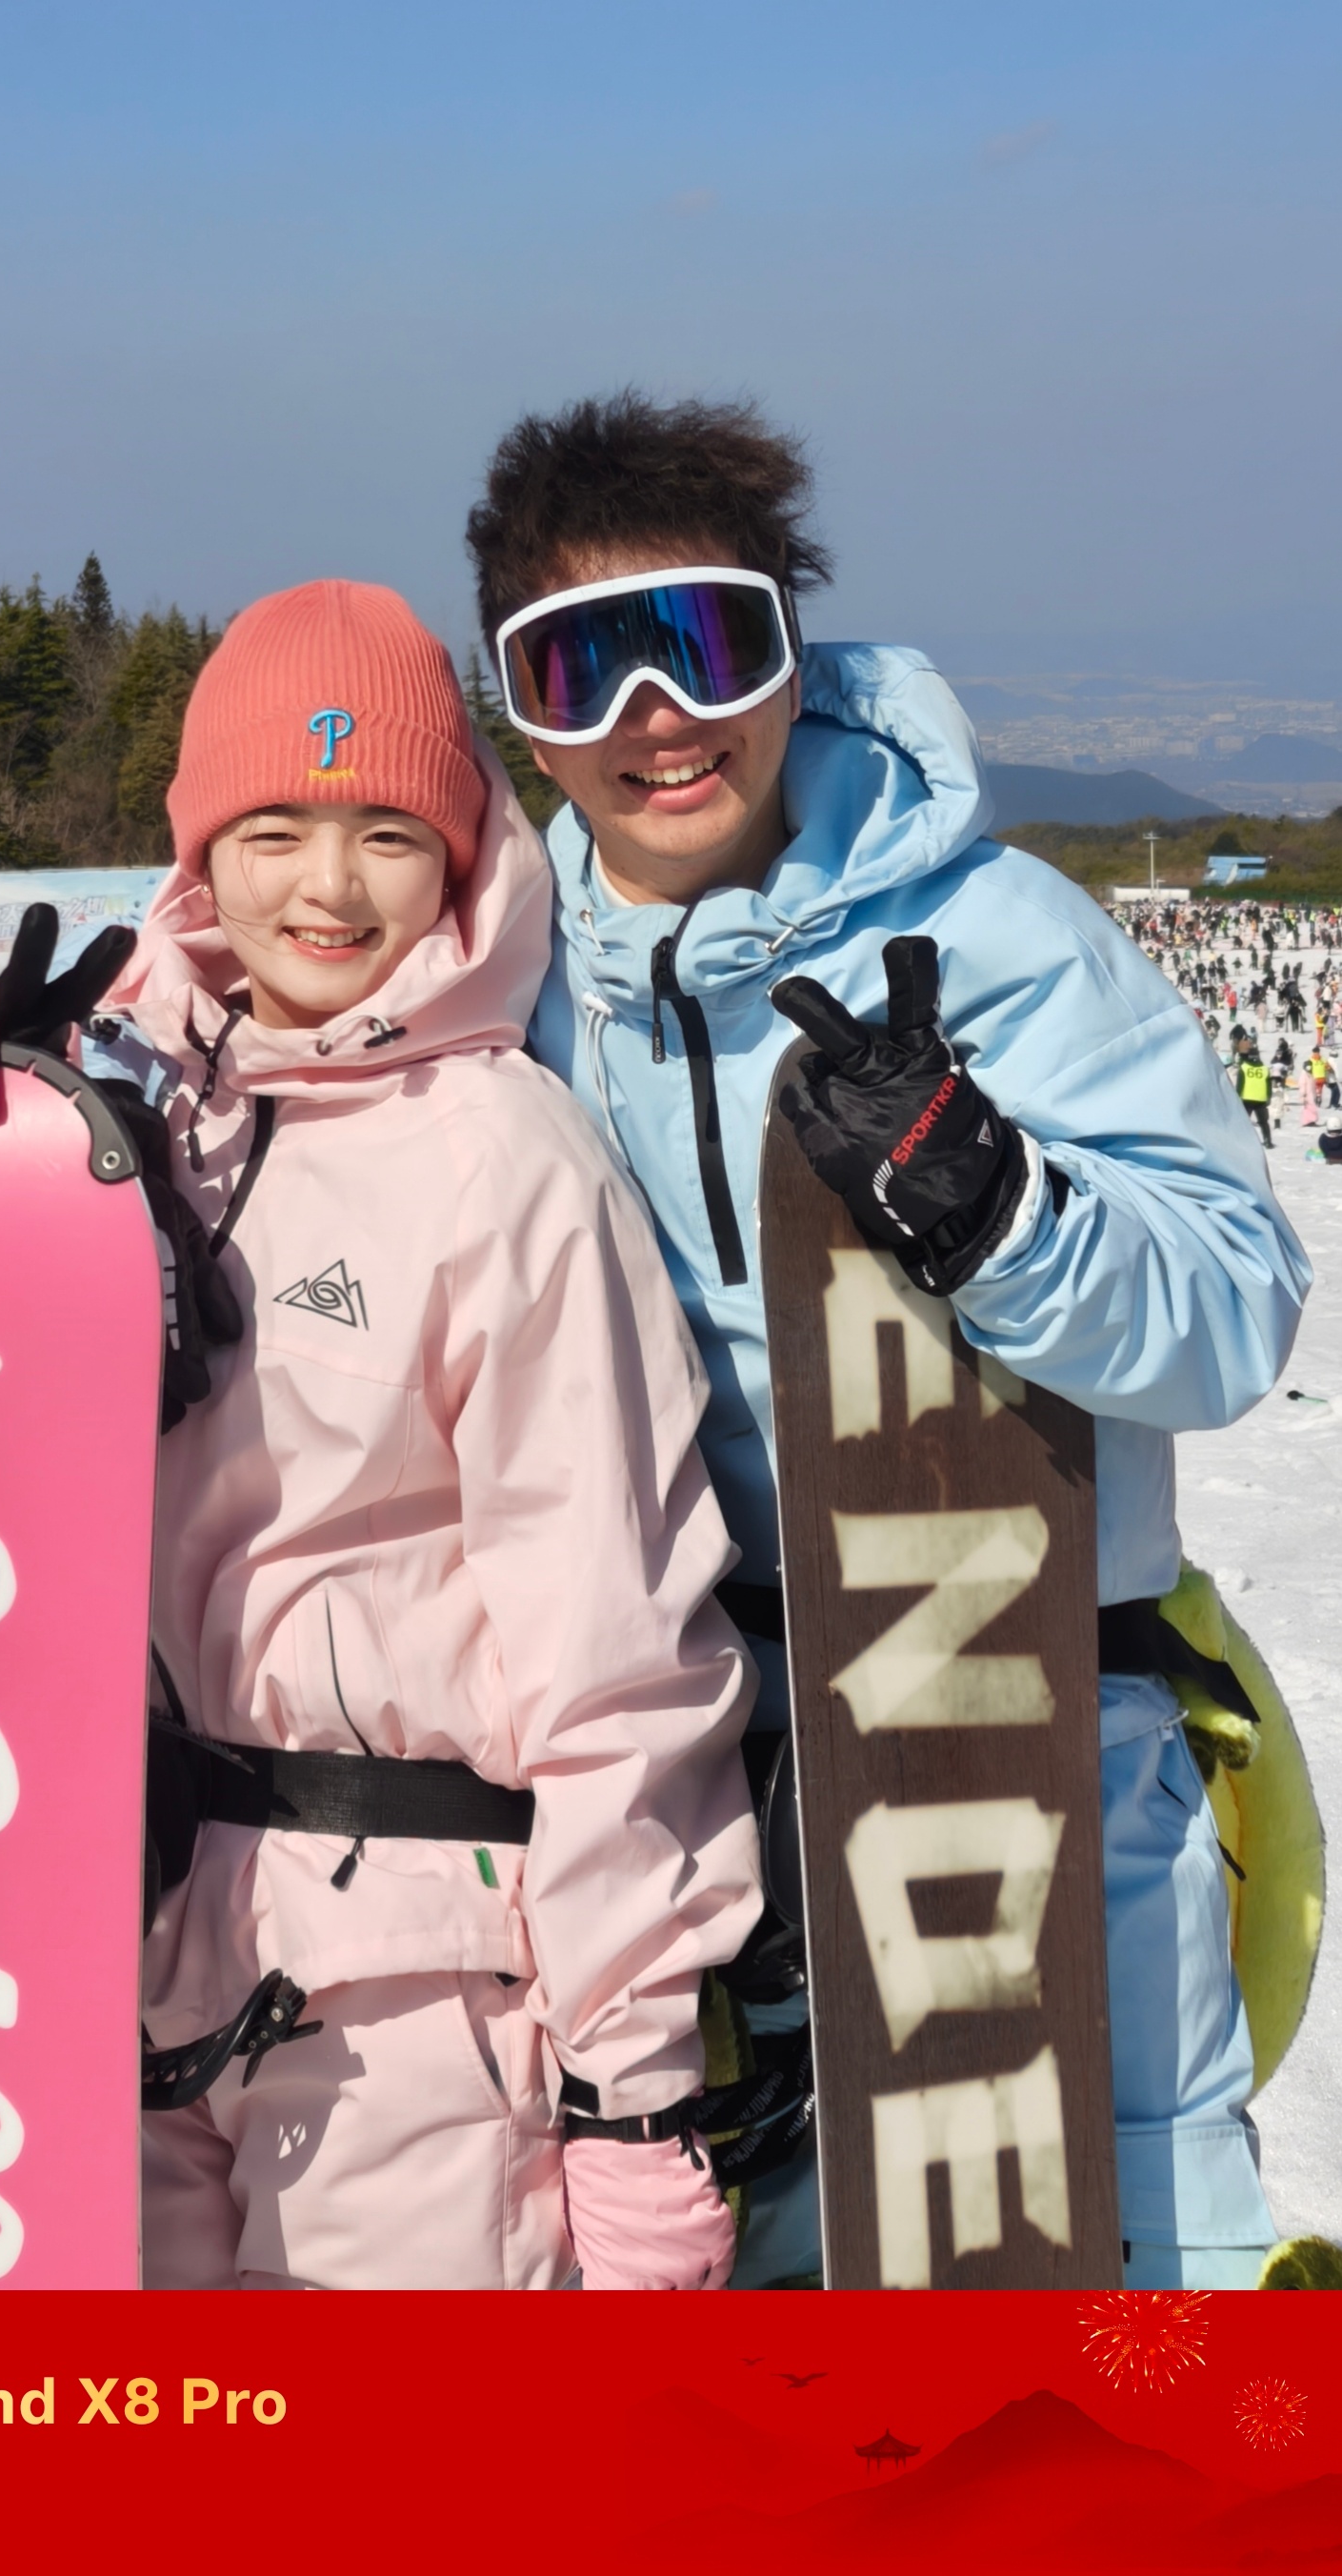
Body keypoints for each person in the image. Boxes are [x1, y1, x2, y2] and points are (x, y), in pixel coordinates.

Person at [466, 391, 1311, 2289]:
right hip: (697, 1822)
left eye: (700, 640)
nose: (652, 718)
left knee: (1103, 2359)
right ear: (520, 705)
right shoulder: (516, 989)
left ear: (789, 646)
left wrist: (1001, 1215)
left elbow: (1228, 1309)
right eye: (577, 666)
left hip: (1020, 1767)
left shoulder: (997, 938)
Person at [0, 581, 761, 2290]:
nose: (324, 884)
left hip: (418, 2012)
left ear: (456, 854)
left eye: (384, 829)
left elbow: (616, 1649)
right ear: (194, 849)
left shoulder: (499, 1156)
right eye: (273, 824)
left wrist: (630, 2093)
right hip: (127, 1977)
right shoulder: (129, 1129)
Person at [1235, 1041, 1274, 1148]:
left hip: (1246, 1097)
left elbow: (1240, 1084)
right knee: (1263, 1122)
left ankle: (1241, 1140)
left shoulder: (1244, 1067)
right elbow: (1268, 1084)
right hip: (1261, 1099)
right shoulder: (1265, 1069)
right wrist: (1269, 1097)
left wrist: (1237, 1096)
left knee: (1244, 1121)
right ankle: (1268, 1141)